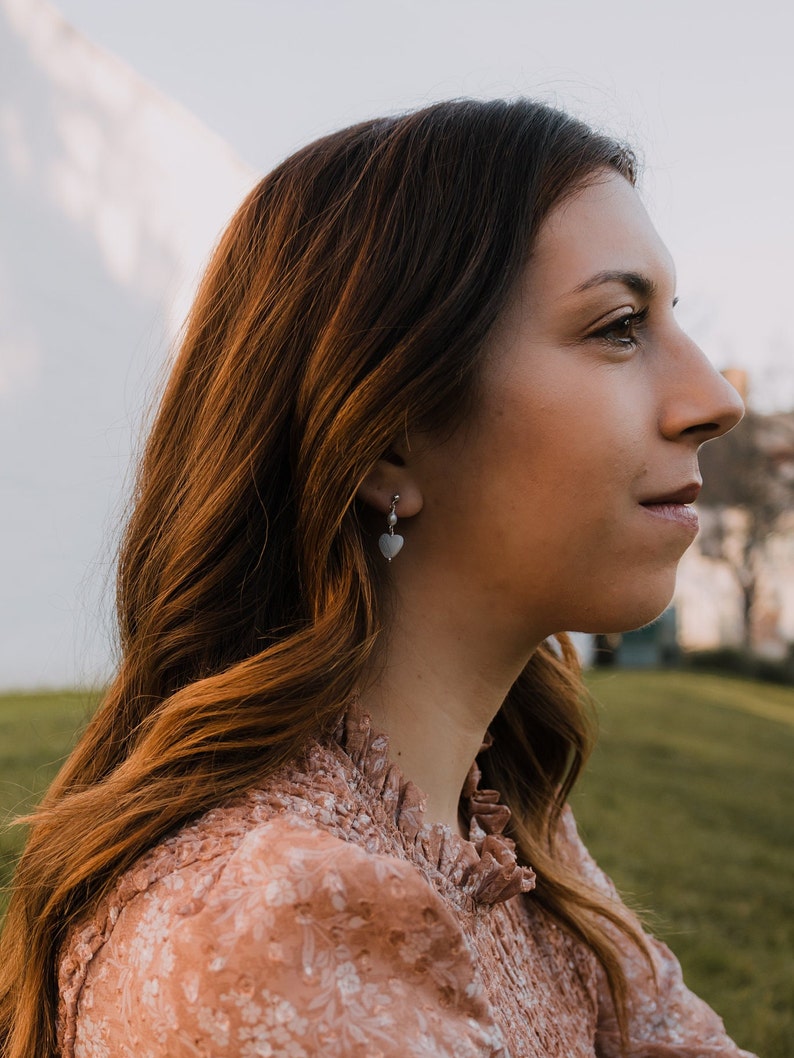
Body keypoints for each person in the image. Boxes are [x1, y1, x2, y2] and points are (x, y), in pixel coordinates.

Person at [0, 98, 754, 1058]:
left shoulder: (506, 829)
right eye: (617, 326)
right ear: (387, 439)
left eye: (670, 318)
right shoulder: (268, 934)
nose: (716, 400)